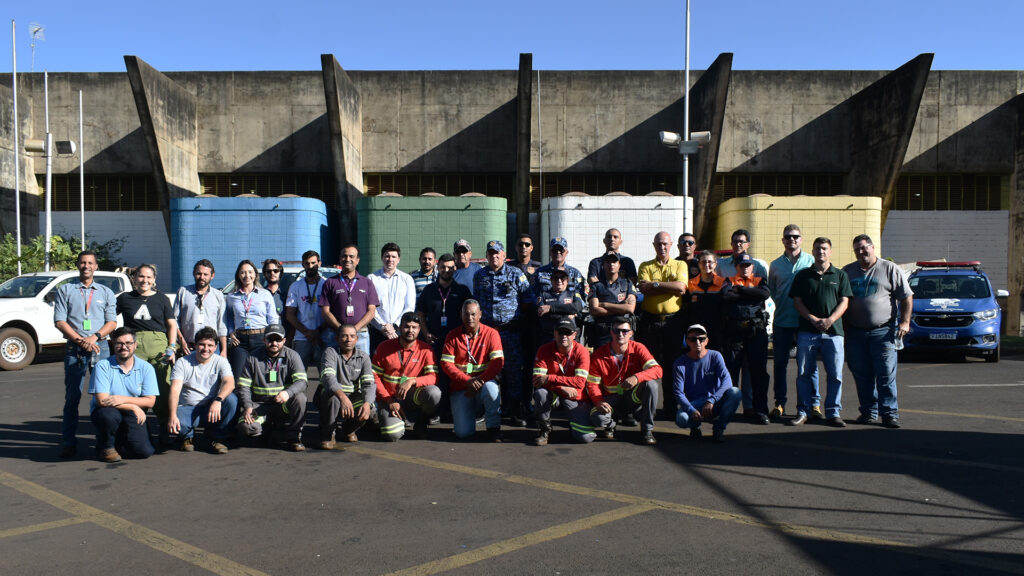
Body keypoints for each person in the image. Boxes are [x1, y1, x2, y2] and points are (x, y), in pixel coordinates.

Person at [842, 234, 913, 429]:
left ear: (873, 248)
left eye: (864, 248)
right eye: (857, 249)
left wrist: (905, 322)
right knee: (861, 374)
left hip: (883, 332)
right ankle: (868, 412)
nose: (861, 252)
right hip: (855, 333)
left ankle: (889, 414)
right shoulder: (848, 271)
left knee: (885, 375)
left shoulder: (889, 269)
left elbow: (906, 297)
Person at [53, 250, 118, 458]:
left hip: (101, 348)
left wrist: (95, 337)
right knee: (72, 398)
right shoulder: (65, 290)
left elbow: (112, 322)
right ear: (78, 265)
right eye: (83, 262)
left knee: (103, 398)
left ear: (96, 266)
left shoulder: (106, 292)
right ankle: (68, 442)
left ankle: (104, 443)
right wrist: (81, 340)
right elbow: (60, 321)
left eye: (90, 262)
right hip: (75, 349)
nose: (86, 266)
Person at [787, 237, 853, 427]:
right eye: (817, 249)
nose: (821, 252)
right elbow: (797, 302)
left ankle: (833, 413)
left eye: (824, 248)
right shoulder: (802, 275)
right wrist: (813, 319)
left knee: (835, 375)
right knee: (803, 374)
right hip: (808, 332)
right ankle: (803, 411)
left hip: (834, 333)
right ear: (813, 251)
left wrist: (830, 320)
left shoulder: (840, 276)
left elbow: (845, 301)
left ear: (830, 251)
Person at [116, 264, 178, 447]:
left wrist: (172, 347)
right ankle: (138, 430)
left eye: (149, 277)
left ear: (154, 280)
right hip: (134, 346)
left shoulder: (162, 299)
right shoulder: (125, 298)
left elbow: (172, 325)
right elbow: (110, 319)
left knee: (161, 388)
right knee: (136, 388)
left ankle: (165, 430)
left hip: (158, 345)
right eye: (141, 277)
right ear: (134, 279)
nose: (145, 281)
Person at [474, 240, 532, 426]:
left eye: (497, 253)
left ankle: (514, 409)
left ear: (504, 254)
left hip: (510, 332)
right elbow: (476, 303)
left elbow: (528, 300)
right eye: (490, 253)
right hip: (488, 333)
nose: (494, 256)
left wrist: (518, 321)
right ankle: (490, 409)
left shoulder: (515, 273)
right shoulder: (479, 275)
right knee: (488, 370)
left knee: (513, 371)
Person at [637, 231, 688, 419]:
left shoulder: (680, 264)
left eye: (665, 244)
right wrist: (667, 286)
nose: (662, 247)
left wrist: (655, 285)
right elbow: (643, 288)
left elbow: (681, 288)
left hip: (672, 323)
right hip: (650, 323)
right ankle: (645, 407)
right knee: (648, 366)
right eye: (659, 244)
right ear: (654, 245)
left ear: (671, 244)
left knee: (672, 366)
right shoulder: (645, 265)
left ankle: (670, 407)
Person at [587, 317, 662, 445]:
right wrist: (598, 402)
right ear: (611, 332)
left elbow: (657, 370)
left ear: (631, 333)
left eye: (625, 331)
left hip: (631, 399)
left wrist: (637, 377)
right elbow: (592, 384)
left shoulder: (639, 348)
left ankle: (647, 431)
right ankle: (611, 424)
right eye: (616, 331)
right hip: (610, 401)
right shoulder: (599, 354)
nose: (620, 334)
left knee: (651, 385)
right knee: (597, 419)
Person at [88, 327, 158, 462]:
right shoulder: (102, 366)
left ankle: (121, 439)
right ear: (113, 345)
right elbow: (103, 401)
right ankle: (106, 446)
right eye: (119, 343)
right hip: (108, 411)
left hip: (132, 413)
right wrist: (132, 406)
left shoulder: (146, 368)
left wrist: (121, 399)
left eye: (128, 343)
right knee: (108, 415)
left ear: (135, 345)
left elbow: (150, 401)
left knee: (144, 452)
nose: (123, 347)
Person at [416, 253, 472, 422]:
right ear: (437, 267)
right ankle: (438, 411)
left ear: (455, 269)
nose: (446, 270)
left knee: (456, 375)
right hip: (435, 341)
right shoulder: (429, 290)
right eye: (443, 267)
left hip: (456, 342)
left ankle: (455, 411)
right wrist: (425, 334)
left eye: (450, 267)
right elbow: (421, 313)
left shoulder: (462, 290)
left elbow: (470, 315)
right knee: (437, 375)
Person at [767, 224, 814, 420]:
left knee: (809, 366)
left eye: (795, 236)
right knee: (780, 365)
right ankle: (780, 403)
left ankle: (814, 403)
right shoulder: (776, 264)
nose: (792, 240)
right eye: (788, 237)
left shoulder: (810, 260)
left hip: (805, 322)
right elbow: (772, 291)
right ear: (783, 240)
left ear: (801, 239)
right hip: (782, 321)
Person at [236, 324, 309, 451]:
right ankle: (265, 430)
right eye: (270, 339)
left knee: (300, 398)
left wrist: (288, 393)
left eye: (278, 339)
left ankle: (294, 437)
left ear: (284, 340)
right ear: (264, 340)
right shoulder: (252, 357)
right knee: (247, 427)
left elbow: (302, 381)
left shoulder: (292, 356)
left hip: (282, 405)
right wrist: (247, 406)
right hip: (259, 405)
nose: (274, 343)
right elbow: (244, 385)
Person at [440, 300, 504, 442]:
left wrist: (480, 380)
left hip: (484, 383)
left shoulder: (492, 334)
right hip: (462, 388)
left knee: (492, 390)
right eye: (466, 314)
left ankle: (494, 428)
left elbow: (497, 363)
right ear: (461, 315)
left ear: (480, 314)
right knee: (463, 433)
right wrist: (468, 381)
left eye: (474, 314)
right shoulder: (452, 335)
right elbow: (446, 364)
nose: (470, 318)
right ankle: (472, 414)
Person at [167, 327, 237, 454]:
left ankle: (217, 437)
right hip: (188, 408)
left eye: (210, 345)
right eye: (202, 344)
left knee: (231, 400)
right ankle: (187, 437)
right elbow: (175, 390)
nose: (206, 349)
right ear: (195, 345)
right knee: (177, 422)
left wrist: (218, 401)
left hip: (211, 408)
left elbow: (230, 383)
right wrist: (172, 416)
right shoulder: (182, 362)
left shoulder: (221, 361)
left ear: (216, 347)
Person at [372, 312, 441, 440]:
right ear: (399, 328)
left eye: (414, 327)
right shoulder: (384, 347)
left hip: (411, 396)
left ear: (419, 329)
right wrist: (389, 401)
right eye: (406, 326)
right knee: (392, 435)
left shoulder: (426, 350)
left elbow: (433, 377)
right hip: (389, 398)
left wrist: (412, 381)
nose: (410, 330)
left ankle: (421, 422)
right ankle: (386, 418)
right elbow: (374, 377)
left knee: (434, 393)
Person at [721, 255, 771, 425]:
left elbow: (764, 294)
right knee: (731, 373)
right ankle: (727, 411)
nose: (745, 268)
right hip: (735, 333)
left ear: (752, 267)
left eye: (748, 265)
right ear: (737, 267)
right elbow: (726, 297)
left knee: (759, 373)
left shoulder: (760, 280)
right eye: (742, 265)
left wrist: (740, 290)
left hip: (756, 332)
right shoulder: (728, 280)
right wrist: (751, 296)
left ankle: (761, 411)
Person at [671, 324, 741, 443]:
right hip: (695, 404)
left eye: (701, 339)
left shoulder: (715, 356)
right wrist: (691, 409)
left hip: (714, 401)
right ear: (687, 341)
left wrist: (712, 400)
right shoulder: (680, 363)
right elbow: (679, 393)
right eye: (693, 339)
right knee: (682, 418)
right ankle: (695, 426)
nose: (697, 342)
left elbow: (727, 381)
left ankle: (719, 428)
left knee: (735, 392)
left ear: (707, 341)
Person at [531, 318, 594, 446]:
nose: (564, 336)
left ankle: (573, 423)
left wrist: (549, 378)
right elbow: (537, 380)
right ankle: (544, 429)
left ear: (575, 335)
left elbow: (580, 383)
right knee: (540, 393)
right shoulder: (544, 350)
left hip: (574, 397)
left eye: (568, 333)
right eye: (560, 332)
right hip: (556, 394)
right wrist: (562, 387)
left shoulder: (582, 352)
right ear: (554, 333)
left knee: (585, 438)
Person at [317, 325, 375, 448]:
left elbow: (368, 384)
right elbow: (328, 378)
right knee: (333, 399)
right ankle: (328, 434)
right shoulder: (330, 352)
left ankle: (348, 429)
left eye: (352, 336)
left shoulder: (364, 357)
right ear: (337, 338)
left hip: (352, 397)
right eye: (344, 336)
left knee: (371, 408)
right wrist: (343, 398)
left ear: (357, 339)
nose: (348, 339)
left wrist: (367, 403)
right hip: (331, 396)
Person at [321, 244, 380, 354]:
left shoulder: (367, 283)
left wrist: (354, 330)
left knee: (361, 369)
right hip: (335, 334)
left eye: (351, 256)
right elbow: (325, 311)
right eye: (344, 256)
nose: (347, 259)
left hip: (360, 335)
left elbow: (371, 311)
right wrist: (341, 329)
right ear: (340, 259)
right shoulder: (330, 282)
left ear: (357, 260)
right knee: (333, 368)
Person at [225, 259, 279, 378]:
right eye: (243, 272)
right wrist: (231, 333)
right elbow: (229, 318)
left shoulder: (265, 294)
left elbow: (273, 319)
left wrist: (271, 337)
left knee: (266, 375)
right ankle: (242, 397)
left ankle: (269, 396)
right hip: (240, 340)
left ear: (255, 274)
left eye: (250, 272)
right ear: (238, 275)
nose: (247, 276)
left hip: (261, 338)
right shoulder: (231, 296)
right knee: (239, 377)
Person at [174, 259, 228, 358]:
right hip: (188, 347)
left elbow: (222, 325)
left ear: (212, 275)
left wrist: (224, 350)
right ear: (194, 274)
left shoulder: (218, 295)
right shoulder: (183, 292)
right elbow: (175, 321)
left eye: (205, 274)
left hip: (211, 348)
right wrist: (182, 342)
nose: (202, 277)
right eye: (199, 273)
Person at [369, 242, 416, 352]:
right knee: (377, 365)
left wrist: (394, 326)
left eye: (394, 256)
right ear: (382, 258)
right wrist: (383, 326)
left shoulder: (407, 279)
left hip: (398, 331)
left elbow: (409, 307)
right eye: (387, 256)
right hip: (378, 331)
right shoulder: (371, 279)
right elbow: (370, 306)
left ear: (398, 259)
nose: (390, 259)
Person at [285, 250, 328, 369]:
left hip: (323, 336)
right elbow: (290, 314)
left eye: (313, 263)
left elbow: (332, 312)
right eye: (307, 263)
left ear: (319, 263)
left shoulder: (327, 284)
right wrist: (307, 332)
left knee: (326, 376)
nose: (310, 266)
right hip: (302, 338)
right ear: (303, 264)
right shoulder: (296, 286)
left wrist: (317, 331)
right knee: (299, 375)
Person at [587, 252, 637, 349]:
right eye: (608, 262)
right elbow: (594, 310)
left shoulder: (627, 284)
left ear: (619, 265)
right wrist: (621, 308)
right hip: (603, 334)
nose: (611, 264)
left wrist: (604, 304)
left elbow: (630, 308)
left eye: (614, 262)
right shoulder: (596, 286)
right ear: (603, 265)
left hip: (624, 332)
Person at [684, 250, 727, 350]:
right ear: (699, 264)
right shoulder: (691, 284)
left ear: (715, 264)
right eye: (703, 262)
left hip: (717, 330)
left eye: (710, 262)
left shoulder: (723, 283)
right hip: (696, 331)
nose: (706, 265)